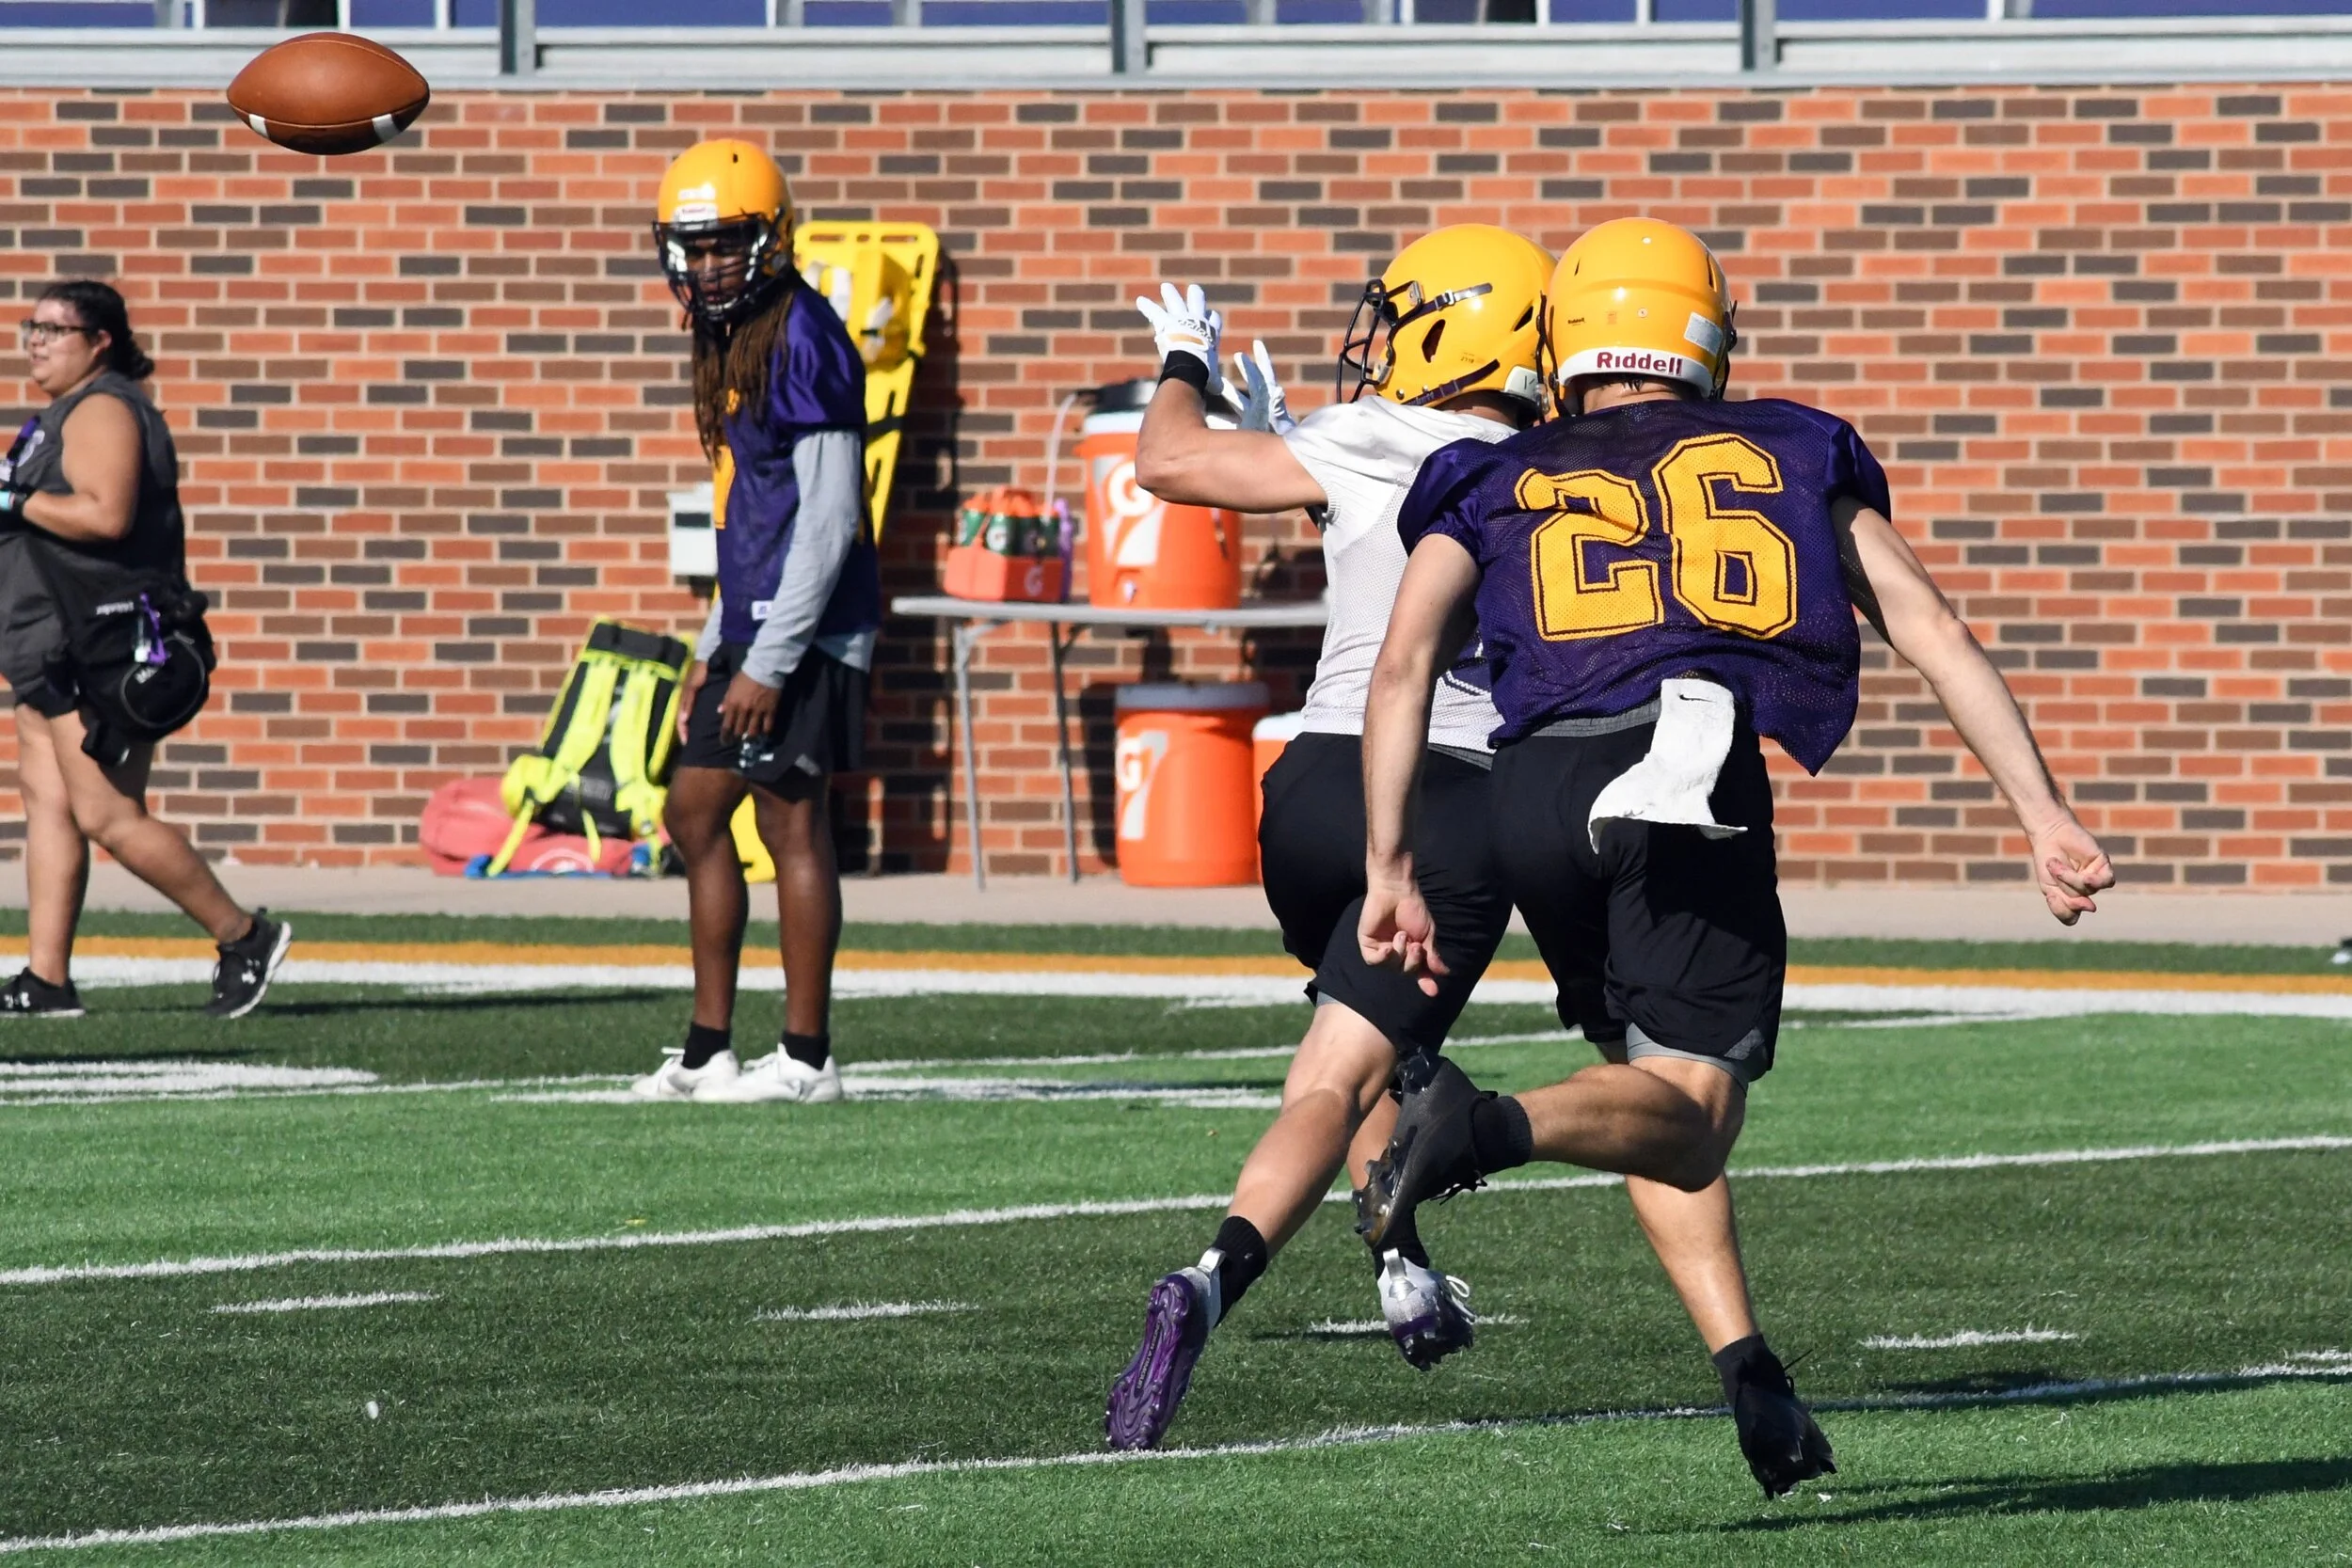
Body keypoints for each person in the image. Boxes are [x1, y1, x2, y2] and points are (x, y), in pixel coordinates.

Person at [1355, 217, 2117, 1495]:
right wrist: (2040, 811)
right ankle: (1476, 1125)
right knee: (1696, 1106)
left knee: (1654, 1093)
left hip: (1533, 790)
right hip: (1681, 763)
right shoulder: (1790, 445)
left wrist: (1391, 863)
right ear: (1704, 338)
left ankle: (1747, 1367)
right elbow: (1928, 623)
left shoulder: (1491, 471)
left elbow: (1402, 666)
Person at [1104, 228, 1554, 1452]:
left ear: (1453, 328)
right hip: (1445, 797)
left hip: (1305, 793)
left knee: (1358, 1039)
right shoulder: (1559, 467)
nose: (1382, 343)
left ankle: (1400, 1264)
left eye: (1400, 320)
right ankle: (1208, 1277)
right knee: (1342, 1073)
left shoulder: (1365, 438)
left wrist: (1185, 360)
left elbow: (1166, 459)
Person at [627, 139, 875, 1106]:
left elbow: (830, 516)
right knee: (692, 811)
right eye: (693, 247)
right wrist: (714, 642)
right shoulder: (729, 334)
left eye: (725, 243)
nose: (708, 264)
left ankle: (807, 1058)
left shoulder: (804, 335)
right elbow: (748, 506)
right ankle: (707, 1050)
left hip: (806, 627)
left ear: (770, 238)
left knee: (790, 819)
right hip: (752, 622)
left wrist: (768, 658)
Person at [0, 279, 290, 1020]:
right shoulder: (62, 413)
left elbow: (105, 514)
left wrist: (12, 499)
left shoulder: (104, 407)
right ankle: (46, 979)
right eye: (32, 326)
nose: (36, 341)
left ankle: (245, 935)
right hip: (46, 642)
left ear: (100, 342)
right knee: (48, 803)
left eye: (56, 329)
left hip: (97, 644)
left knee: (108, 814)